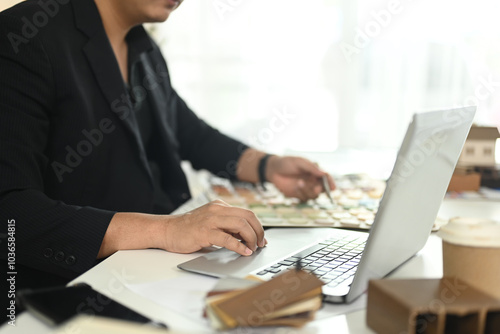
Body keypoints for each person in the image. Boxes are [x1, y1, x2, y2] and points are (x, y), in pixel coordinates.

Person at [0, 0, 335, 294]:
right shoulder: (23, 36)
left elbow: (190, 133)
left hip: (147, 273)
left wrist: (269, 166)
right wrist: (169, 229)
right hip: (61, 290)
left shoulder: (143, 48)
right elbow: (10, 211)